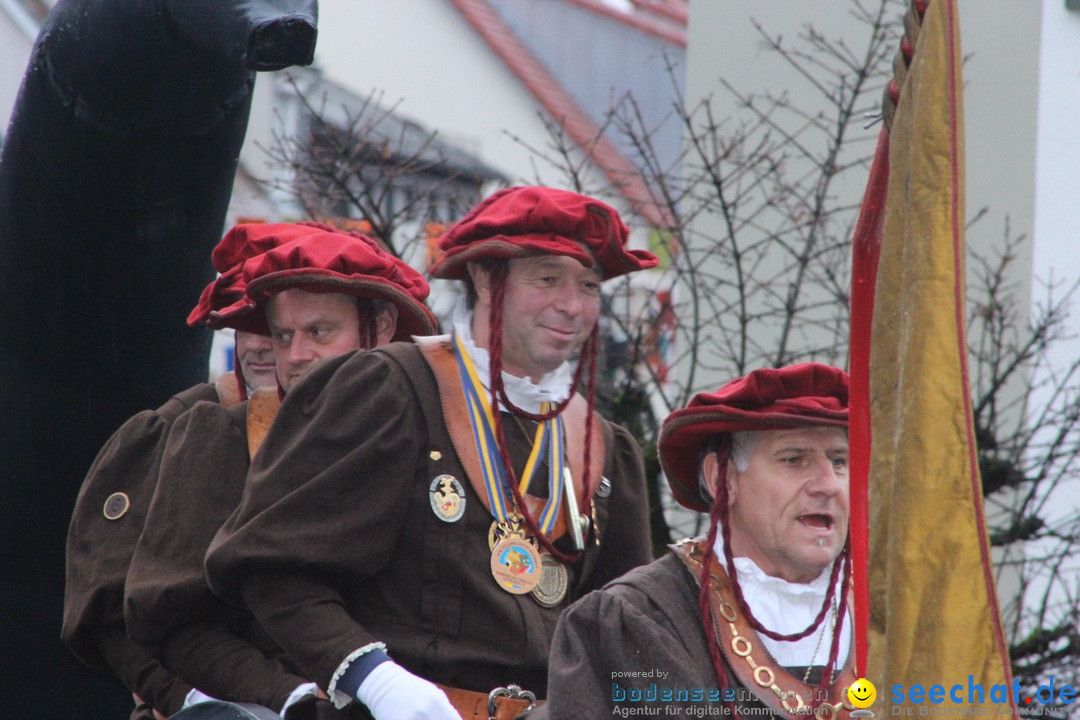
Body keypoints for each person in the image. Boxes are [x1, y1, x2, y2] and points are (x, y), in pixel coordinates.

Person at [203, 186, 660, 720]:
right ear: (487, 279)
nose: (571, 305)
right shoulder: (389, 389)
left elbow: (625, 634)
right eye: (547, 278)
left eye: (588, 285)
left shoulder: (606, 447)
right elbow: (269, 569)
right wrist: (373, 679)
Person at [124, 223, 438, 719]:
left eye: (318, 332)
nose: (294, 357)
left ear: (378, 329)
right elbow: (165, 621)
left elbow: (592, 628)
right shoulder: (218, 438)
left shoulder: (446, 443)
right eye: (282, 335)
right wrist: (286, 698)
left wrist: (611, 702)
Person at [529, 363, 858, 719]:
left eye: (839, 462)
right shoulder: (638, 621)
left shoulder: (896, 609)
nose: (828, 484)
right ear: (721, 479)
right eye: (794, 459)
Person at [61, 222, 297, 719]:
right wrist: (192, 701)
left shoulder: (362, 431)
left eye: (269, 325)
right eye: (242, 322)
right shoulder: (168, 430)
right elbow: (105, 609)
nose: (255, 344)